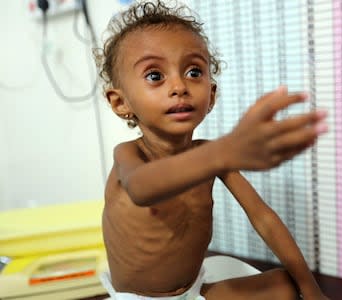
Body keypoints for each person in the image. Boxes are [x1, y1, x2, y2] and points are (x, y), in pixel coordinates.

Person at [95, 1, 329, 299]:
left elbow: (264, 219)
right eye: (155, 75)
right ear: (120, 102)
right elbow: (143, 187)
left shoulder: (214, 155)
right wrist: (224, 152)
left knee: (286, 285)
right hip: (139, 299)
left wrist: (311, 289)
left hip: (194, 290)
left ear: (212, 95)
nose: (179, 86)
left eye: (194, 72)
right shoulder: (128, 155)